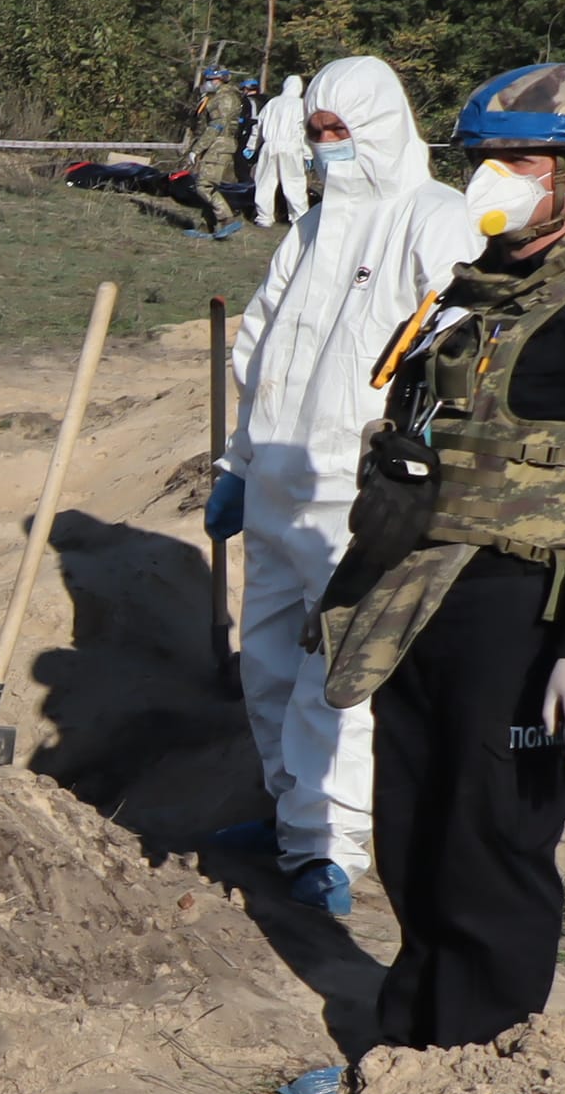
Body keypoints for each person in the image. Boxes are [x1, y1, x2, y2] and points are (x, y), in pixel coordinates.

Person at [281, 65, 565, 1094]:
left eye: (519, 160)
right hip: (430, 599)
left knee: (488, 856)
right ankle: (404, 1061)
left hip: (526, 616)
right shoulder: (481, 287)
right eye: (486, 157)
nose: (493, 178)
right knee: (414, 842)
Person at [205, 56, 472, 914]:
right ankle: (293, 820)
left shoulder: (436, 219)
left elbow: (457, 347)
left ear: (383, 128)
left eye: (338, 134)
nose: (325, 151)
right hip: (280, 484)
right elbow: (260, 348)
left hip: (358, 499)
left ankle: (335, 846)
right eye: (316, 136)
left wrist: (415, 467)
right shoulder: (312, 229)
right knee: (269, 666)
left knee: (340, 675)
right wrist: (238, 467)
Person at [190, 63, 249, 238]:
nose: (208, 82)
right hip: (216, 144)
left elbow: (217, 125)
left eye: (212, 79)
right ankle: (206, 225)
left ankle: (226, 219)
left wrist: (198, 148)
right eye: (207, 79)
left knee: (204, 185)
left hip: (219, 144)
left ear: (221, 79)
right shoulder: (214, 96)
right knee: (209, 183)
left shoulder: (224, 98)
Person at [252, 70, 312, 230]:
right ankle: (300, 218)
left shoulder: (272, 103)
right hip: (292, 147)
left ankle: (264, 218)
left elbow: (258, 126)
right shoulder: (301, 105)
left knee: (265, 182)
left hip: (269, 146)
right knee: (294, 183)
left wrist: (252, 146)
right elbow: (303, 132)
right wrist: (308, 153)